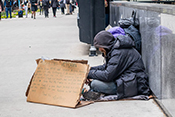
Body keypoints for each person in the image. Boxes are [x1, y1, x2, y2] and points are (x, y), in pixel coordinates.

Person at [83, 30, 150, 100]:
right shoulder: (115, 49)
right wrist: (88, 70)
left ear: (105, 45)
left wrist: (88, 73)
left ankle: (97, 92)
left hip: (134, 85)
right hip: (126, 80)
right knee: (95, 79)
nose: (99, 49)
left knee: (95, 84)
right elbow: (106, 67)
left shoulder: (118, 53)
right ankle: (96, 92)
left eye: (100, 47)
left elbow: (107, 75)